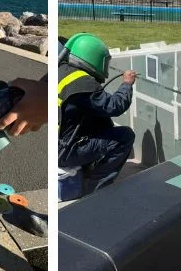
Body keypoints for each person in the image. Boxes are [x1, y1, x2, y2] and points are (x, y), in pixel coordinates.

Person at [56, 33, 138, 197]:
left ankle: (88, 169)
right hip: (65, 152)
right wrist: (127, 84)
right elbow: (115, 106)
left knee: (104, 124)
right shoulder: (83, 83)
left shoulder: (62, 71)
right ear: (95, 58)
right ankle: (96, 191)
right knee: (124, 136)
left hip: (58, 143)